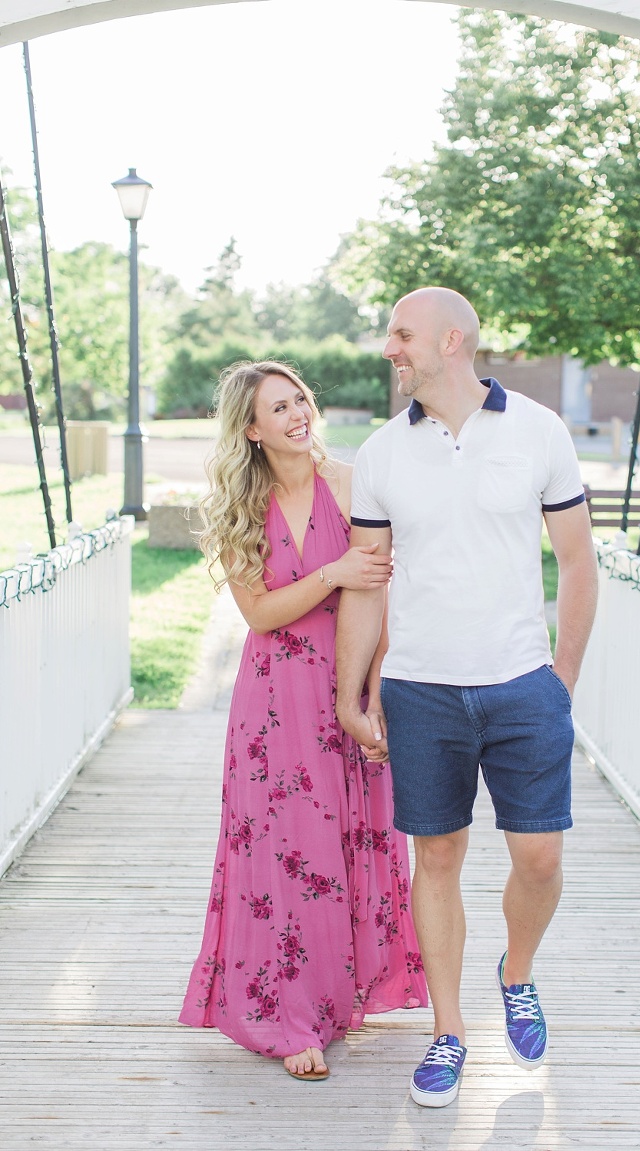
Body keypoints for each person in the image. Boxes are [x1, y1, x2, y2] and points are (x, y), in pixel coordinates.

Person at [335, 287, 598, 1107]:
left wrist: (563, 678)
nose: (390, 348)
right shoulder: (380, 452)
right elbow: (369, 584)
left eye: (401, 335)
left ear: (452, 341)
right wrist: (354, 690)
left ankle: (515, 973)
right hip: (421, 690)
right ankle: (449, 1033)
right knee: (437, 857)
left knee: (540, 857)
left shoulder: (538, 430)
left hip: (523, 684)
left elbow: (579, 562)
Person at [179, 360, 427, 1081]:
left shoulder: (352, 485)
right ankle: (288, 1016)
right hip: (273, 705)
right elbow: (258, 613)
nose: (296, 415)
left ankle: (335, 996)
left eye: (299, 400)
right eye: (277, 409)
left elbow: (384, 596)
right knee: (281, 854)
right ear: (251, 430)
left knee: (345, 840)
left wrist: (375, 688)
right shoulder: (238, 508)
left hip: (347, 684)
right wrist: (332, 572)